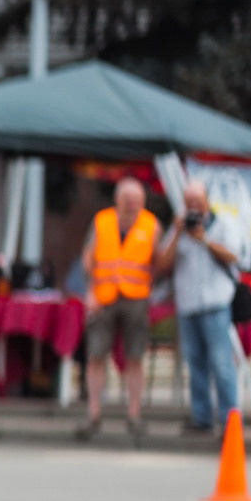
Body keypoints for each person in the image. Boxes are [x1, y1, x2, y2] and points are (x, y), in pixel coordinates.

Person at [74, 176, 158, 442]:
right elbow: (88, 258)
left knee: (135, 356)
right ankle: (94, 412)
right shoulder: (102, 221)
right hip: (104, 296)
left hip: (136, 297)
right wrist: (90, 291)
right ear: (117, 200)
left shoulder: (152, 225)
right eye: (127, 200)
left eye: (137, 201)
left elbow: (159, 261)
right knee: (96, 354)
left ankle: (134, 414)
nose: (132, 205)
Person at [154, 179, 240, 435]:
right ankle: (201, 418)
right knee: (195, 363)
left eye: (197, 201)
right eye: (188, 202)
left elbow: (234, 256)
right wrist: (178, 231)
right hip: (188, 304)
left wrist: (205, 238)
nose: (193, 206)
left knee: (222, 363)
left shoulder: (224, 223)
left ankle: (230, 421)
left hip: (215, 302)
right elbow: (161, 264)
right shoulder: (178, 227)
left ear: (206, 201)